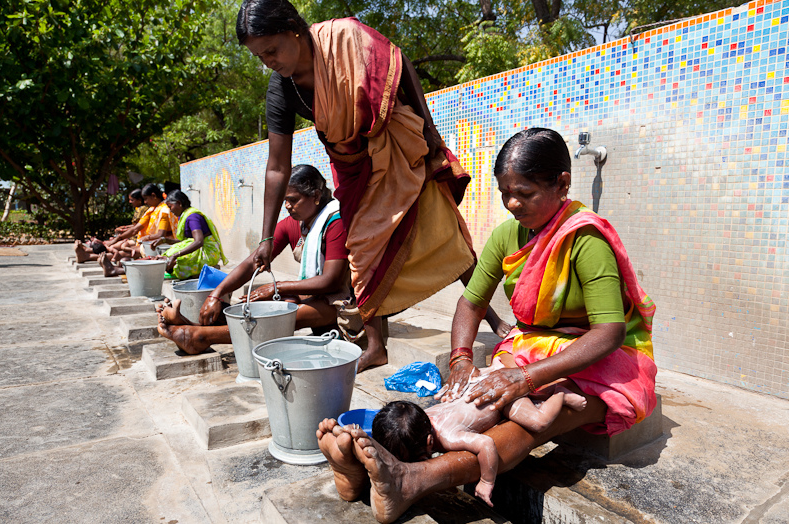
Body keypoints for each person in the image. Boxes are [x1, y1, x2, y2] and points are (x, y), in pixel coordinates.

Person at [316, 128, 658, 523]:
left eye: (524, 194)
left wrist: (525, 378)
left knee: (531, 423)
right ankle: (378, 463)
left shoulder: (585, 239)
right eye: (504, 193)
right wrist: (461, 361)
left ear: (563, 183)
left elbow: (609, 332)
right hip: (534, 345)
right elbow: (471, 301)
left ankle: (414, 479)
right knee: (474, 402)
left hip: (600, 359)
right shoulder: (506, 236)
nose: (512, 204)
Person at [234, 0, 511, 370]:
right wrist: (266, 238)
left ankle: (493, 320)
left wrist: (430, 136)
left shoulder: (344, 38)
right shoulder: (281, 90)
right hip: (353, 168)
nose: (268, 61)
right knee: (361, 250)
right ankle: (376, 346)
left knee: (445, 233)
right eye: (259, 56)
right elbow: (276, 166)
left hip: (399, 148)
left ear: (293, 28)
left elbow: (401, 67)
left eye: (271, 50)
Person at [157, 165, 357, 354]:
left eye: (293, 200)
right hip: (313, 297)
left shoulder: (335, 221)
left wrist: (275, 287)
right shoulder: (292, 224)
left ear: (315, 196)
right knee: (265, 305)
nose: (287, 206)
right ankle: (192, 327)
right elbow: (254, 261)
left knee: (282, 316)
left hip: (341, 303)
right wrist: (217, 294)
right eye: (284, 200)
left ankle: (199, 336)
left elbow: (331, 281)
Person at [371, 375, 587, 506]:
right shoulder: (425, 416)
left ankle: (560, 396)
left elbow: (486, 444)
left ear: (429, 443)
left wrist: (486, 481)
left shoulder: (448, 435)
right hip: (485, 386)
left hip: (503, 396)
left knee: (539, 422)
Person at [99, 183, 177, 277]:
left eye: (146, 199)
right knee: (129, 251)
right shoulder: (152, 209)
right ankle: (103, 261)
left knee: (132, 252)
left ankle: (112, 267)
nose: (144, 202)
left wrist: (146, 238)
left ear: (154, 196)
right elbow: (135, 229)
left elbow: (161, 234)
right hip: (152, 243)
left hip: (163, 245)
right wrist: (118, 237)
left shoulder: (164, 210)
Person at [152, 190, 227, 280]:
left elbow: (199, 241)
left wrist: (176, 255)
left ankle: (175, 271)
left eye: (170, 207)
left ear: (179, 203)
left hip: (207, 253)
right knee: (167, 255)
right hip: (199, 248)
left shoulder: (193, 217)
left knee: (175, 259)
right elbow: (187, 241)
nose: (170, 210)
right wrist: (165, 240)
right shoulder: (184, 216)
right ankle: (171, 269)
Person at [73, 189, 146, 263]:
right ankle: (87, 252)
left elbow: (135, 229)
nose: (130, 202)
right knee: (113, 246)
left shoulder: (143, 208)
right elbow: (136, 225)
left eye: (132, 200)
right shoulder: (143, 208)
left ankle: (87, 255)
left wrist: (120, 236)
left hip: (138, 239)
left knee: (115, 248)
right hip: (138, 238)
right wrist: (123, 228)